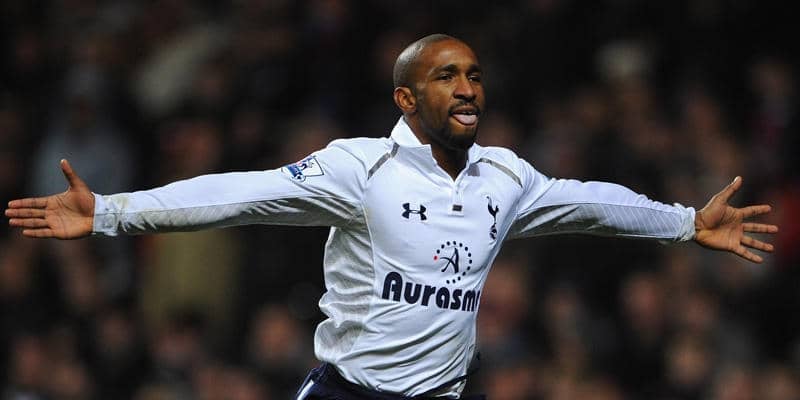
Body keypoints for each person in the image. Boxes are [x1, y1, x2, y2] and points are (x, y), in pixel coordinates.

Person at [5, 34, 778, 400]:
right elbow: (242, 193)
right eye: (446, 76)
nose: (467, 88)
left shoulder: (505, 177)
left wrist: (686, 222)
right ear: (406, 98)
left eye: (474, 74)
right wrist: (112, 212)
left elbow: (591, 205)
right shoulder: (359, 167)